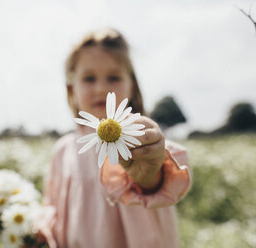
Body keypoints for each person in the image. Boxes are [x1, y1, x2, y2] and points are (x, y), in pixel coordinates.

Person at [38, 27, 191, 248]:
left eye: (114, 77)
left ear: (132, 85)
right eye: (89, 78)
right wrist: (41, 231)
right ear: (71, 88)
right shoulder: (62, 150)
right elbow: (51, 204)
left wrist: (149, 175)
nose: (101, 88)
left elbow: (161, 181)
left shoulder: (140, 139)